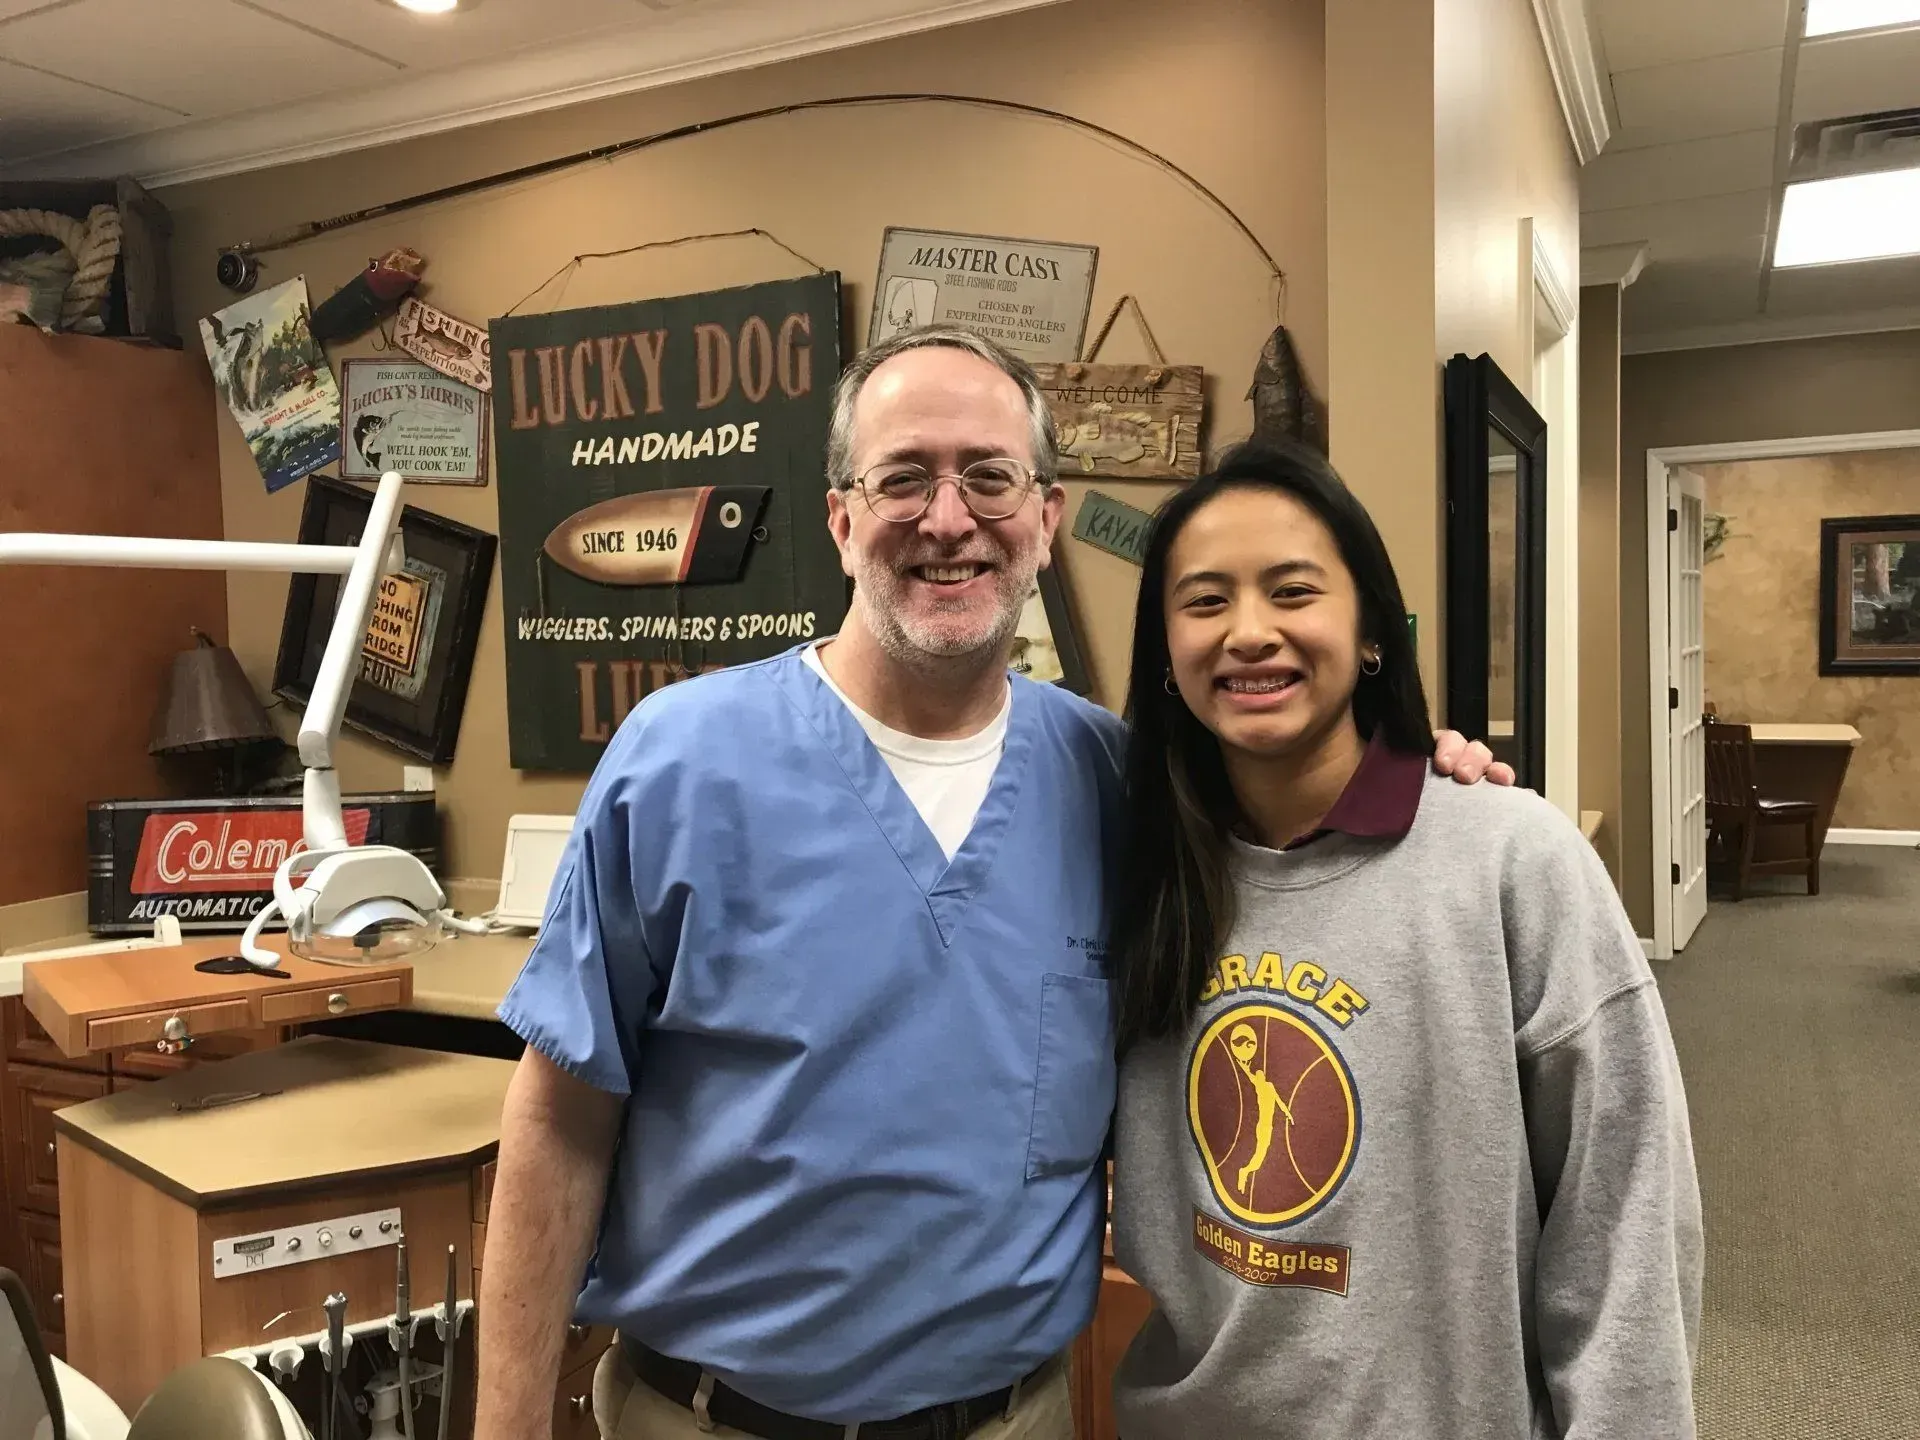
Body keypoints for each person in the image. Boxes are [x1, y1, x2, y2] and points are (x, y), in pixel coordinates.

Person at [474, 326, 1506, 1440]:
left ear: (1047, 520)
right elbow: (560, 1116)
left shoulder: (1117, 784)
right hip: (712, 1418)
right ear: (841, 518)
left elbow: (1297, 834)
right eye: (903, 476)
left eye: (991, 477)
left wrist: (1420, 765)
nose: (949, 518)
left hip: (1018, 1419)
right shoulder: (680, 760)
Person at [1105, 439, 1704, 1440]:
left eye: (1293, 592)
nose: (1249, 633)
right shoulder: (1132, 866)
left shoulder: (1513, 861)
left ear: (1371, 626)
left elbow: (1626, 1220)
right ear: (1165, 653)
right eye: (1205, 602)